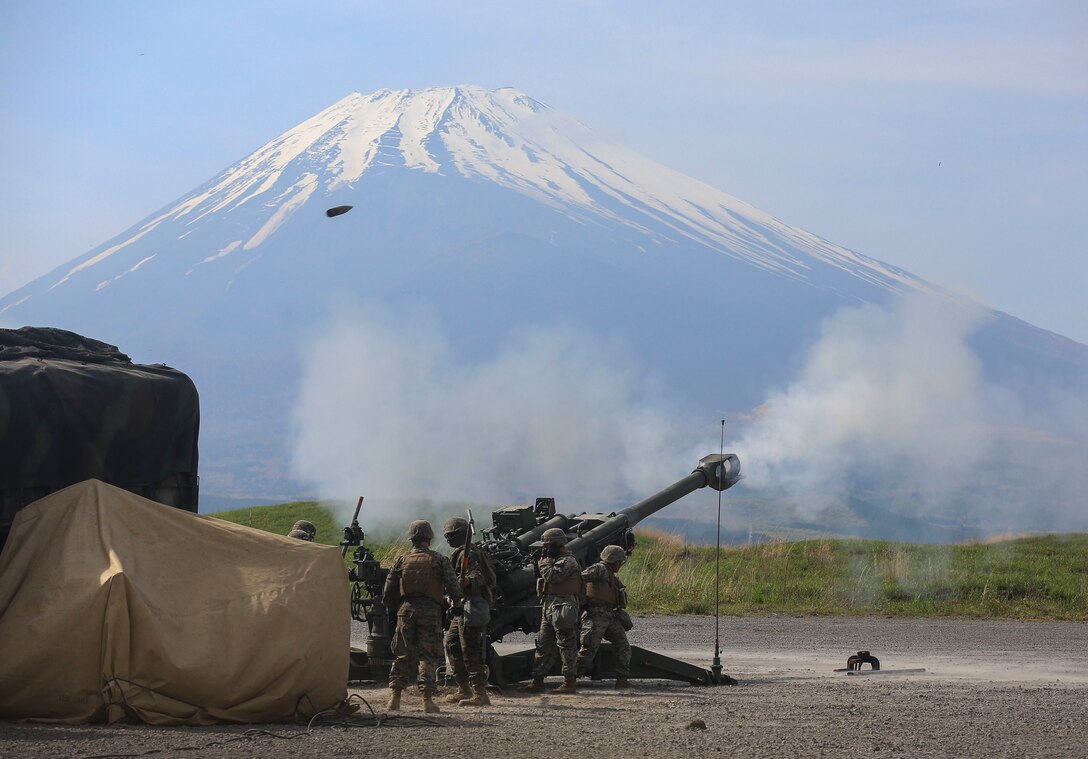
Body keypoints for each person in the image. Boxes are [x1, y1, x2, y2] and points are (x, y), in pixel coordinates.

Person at [383, 520, 461, 713]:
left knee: (402, 654)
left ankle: (395, 699)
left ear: (411, 538)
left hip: (406, 610)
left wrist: (395, 609)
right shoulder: (439, 559)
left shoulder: (401, 560)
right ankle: (427, 700)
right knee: (428, 655)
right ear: (429, 537)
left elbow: (388, 591)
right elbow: (454, 588)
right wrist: (454, 602)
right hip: (430, 611)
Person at [442, 516, 498, 706]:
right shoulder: (460, 553)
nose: (448, 539)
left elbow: (478, 575)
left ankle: (480, 694)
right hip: (462, 607)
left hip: (471, 606)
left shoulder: (470, 553)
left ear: (460, 535)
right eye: (446, 536)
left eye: (451, 535)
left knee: (470, 650)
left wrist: (468, 581)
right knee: (452, 644)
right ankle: (464, 689)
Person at [521, 528, 582, 694]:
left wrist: (544, 561)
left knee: (566, 644)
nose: (545, 549)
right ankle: (537, 680)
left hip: (563, 607)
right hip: (549, 606)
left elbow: (552, 577)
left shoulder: (568, 561)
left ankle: (569, 682)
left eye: (548, 545)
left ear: (558, 544)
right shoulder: (551, 560)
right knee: (543, 644)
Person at [576, 544, 633, 688]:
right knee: (588, 650)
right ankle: (570, 679)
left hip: (610, 616)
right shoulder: (599, 569)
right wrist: (583, 600)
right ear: (615, 561)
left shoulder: (609, 573)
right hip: (595, 616)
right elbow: (579, 579)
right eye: (620, 562)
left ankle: (622, 680)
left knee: (623, 646)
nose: (620, 565)